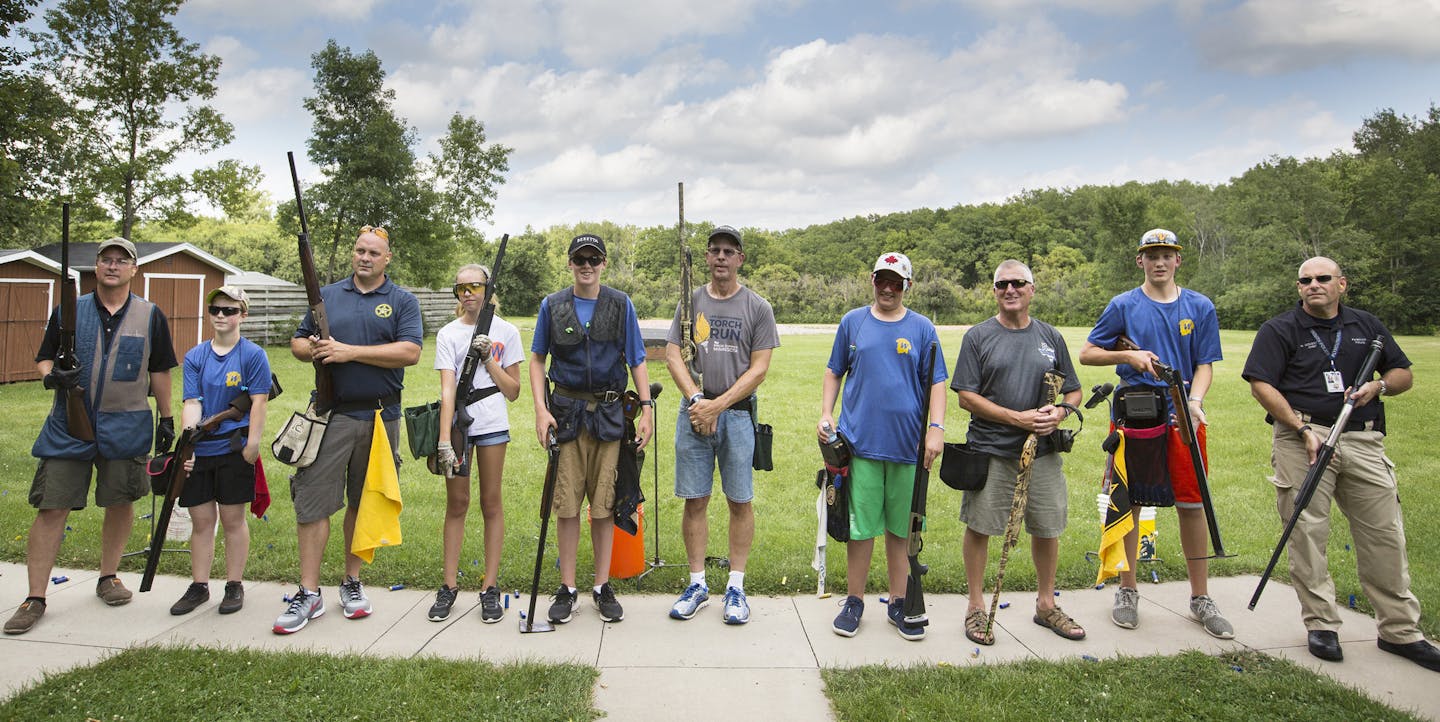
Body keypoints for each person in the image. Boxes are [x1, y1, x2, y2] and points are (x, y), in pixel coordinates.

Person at [1242, 257, 1439, 670]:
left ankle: (1400, 631)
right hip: (1304, 439)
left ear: (1342, 284)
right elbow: (1261, 384)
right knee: (1308, 533)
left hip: (1363, 438)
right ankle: (1322, 625)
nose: (1313, 285)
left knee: (1384, 533)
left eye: (1322, 278)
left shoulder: (1367, 326)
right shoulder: (1280, 329)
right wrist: (1299, 429)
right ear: (1299, 288)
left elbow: (1403, 373)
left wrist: (1377, 385)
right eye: (1305, 280)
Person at [5, 238, 176, 635]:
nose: (113, 266)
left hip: (126, 424)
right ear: (96, 267)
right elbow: (44, 357)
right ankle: (35, 597)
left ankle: (108, 577)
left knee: (120, 502)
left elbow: (160, 369)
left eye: (122, 261)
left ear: (135, 270)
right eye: (106, 260)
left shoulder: (151, 315)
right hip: (69, 424)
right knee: (52, 506)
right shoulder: (69, 310)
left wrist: (166, 418)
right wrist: (52, 376)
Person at [1079, 228, 1232, 639]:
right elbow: (1088, 352)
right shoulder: (1122, 305)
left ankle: (1200, 597)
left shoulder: (1200, 306)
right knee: (1128, 503)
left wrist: (1195, 402)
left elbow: (1204, 364)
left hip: (1182, 411)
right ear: (1140, 261)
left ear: (1178, 260)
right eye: (1152, 255)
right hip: (1133, 412)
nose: (1160, 261)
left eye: (1167, 254)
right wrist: (1128, 355)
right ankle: (1127, 590)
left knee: (1191, 501)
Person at [274, 225, 422, 634]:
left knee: (363, 503)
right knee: (314, 503)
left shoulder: (402, 301)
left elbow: (410, 351)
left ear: (387, 258)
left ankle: (351, 582)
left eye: (374, 253)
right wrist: (315, 349)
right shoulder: (327, 296)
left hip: (379, 418)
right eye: (360, 250)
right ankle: (308, 592)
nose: (365, 257)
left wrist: (348, 351)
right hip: (330, 416)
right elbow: (299, 342)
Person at [953, 260, 1084, 645]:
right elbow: (966, 396)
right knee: (980, 526)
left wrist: (1060, 412)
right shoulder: (979, 337)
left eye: (1018, 283)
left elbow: (1073, 390)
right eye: (1002, 284)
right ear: (994, 291)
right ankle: (976, 607)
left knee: (1047, 527)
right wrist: (1016, 418)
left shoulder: (1050, 337)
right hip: (991, 450)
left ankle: (1046, 604)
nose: (1010, 289)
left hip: (1042, 453)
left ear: (1031, 289)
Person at [818, 252, 946, 641]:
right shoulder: (852, 322)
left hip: (908, 447)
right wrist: (826, 413)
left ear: (908, 285)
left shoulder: (923, 329)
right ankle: (854, 601)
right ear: (872, 280)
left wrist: (936, 428)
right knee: (860, 528)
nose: (888, 287)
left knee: (900, 529)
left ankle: (898, 600)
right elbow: (833, 370)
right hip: (861, 445)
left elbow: (937, 382)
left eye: (896, 281)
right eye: (881, 279)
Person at [528, 234, 653, 625]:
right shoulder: (553, 305)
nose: (586, 264)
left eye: (593, 258)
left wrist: (646, 408)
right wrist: (539, 410)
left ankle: (601, 586)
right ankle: (567, 588)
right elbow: (536, 359)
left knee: (603, 506)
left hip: (609, 416)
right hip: (565, 415)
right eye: (579, 258)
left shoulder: (621, 304)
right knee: (566, 506)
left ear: (603, 263)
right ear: (569, 263)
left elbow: (637, 359)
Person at [664, 225, 780, 625]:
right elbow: (674, 355)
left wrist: (719, 406)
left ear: (740, 259)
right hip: (695, 411)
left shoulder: (757, 308)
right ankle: (697, 584)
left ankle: (736, 586)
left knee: (739, 500)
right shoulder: (690, 300)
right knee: (695, 499)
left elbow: (759, 368)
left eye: (729, 251)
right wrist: (698, 400)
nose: (720, 258)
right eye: (714, 250)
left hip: (737, 415)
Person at [168, 286, 271, 616]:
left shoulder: (252, 355)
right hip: (202, 451)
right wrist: (189, 444)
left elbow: (258, 401)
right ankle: (199, 586)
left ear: (243, 314)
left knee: (232, 519)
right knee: (201, 520)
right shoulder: (196, 356)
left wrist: (252, 443)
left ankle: (234, 584)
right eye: (216, 310)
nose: (221, 316)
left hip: (234, 449)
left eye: (229, 310)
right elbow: (192, 403)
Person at [429, 263, 523, 623]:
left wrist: (489, 358)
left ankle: (489, 587)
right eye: (461, 288)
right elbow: (448, 389)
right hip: (458, 426)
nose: (467, 293)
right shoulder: (448, 334)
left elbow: (513, 391)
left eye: (474, 286)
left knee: (491, 502)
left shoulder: (506, 331)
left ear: (487, 288)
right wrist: (443, 440)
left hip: (493, 424)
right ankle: (449, 585)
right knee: (457, 503)